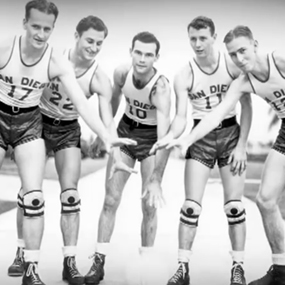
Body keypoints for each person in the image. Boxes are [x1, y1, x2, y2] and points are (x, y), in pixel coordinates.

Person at [0, 1, 136, 285]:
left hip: (65, 130)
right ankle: (21, 253)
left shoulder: (95, 77)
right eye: (89, 40)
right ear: (76, 36)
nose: (94, 47)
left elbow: (98, 114)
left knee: (70, 197)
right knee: (28, 193)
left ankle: (69, 263)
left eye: (99, 43)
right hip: (37, 121)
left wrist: (111, 141)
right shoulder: (47, 56)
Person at [166, 25, 285, 285]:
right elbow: (217, 114)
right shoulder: (243, 81)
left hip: (239, 137)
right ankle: (281, 271)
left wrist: (239, 145)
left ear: (255, 44)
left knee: (248, 203)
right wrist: (187, 138)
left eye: (243, 50)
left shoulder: (279, 61)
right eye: (233, 54)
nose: (239, 59)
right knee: (265, 200)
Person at [150, 16, 252, 285]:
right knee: (190, 208)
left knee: (234, 208)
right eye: (193, 38)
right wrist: (172, 136)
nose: (197, 44)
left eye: (202, 38)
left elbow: (247, 109)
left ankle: (238, 268)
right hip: (200, 137)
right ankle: (183, 268)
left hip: (231, 134)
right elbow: (182, 116)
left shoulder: (231, 64)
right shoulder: (184, 74)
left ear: (214, 37)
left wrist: (242, 145)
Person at [84, 31, 172, 285]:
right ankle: (98, 262)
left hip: (152, 140)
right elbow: (112, 104)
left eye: (148, 54)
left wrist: (156, 178)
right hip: (124, 132)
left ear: (156, 57)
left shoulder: (161, 88)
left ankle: (146, 262)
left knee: (149, 205)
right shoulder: (121, 73)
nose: (142, 59)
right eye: (138, 52)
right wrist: (104, 135)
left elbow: (164, 139)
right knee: (110, 199)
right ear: (131, 51)